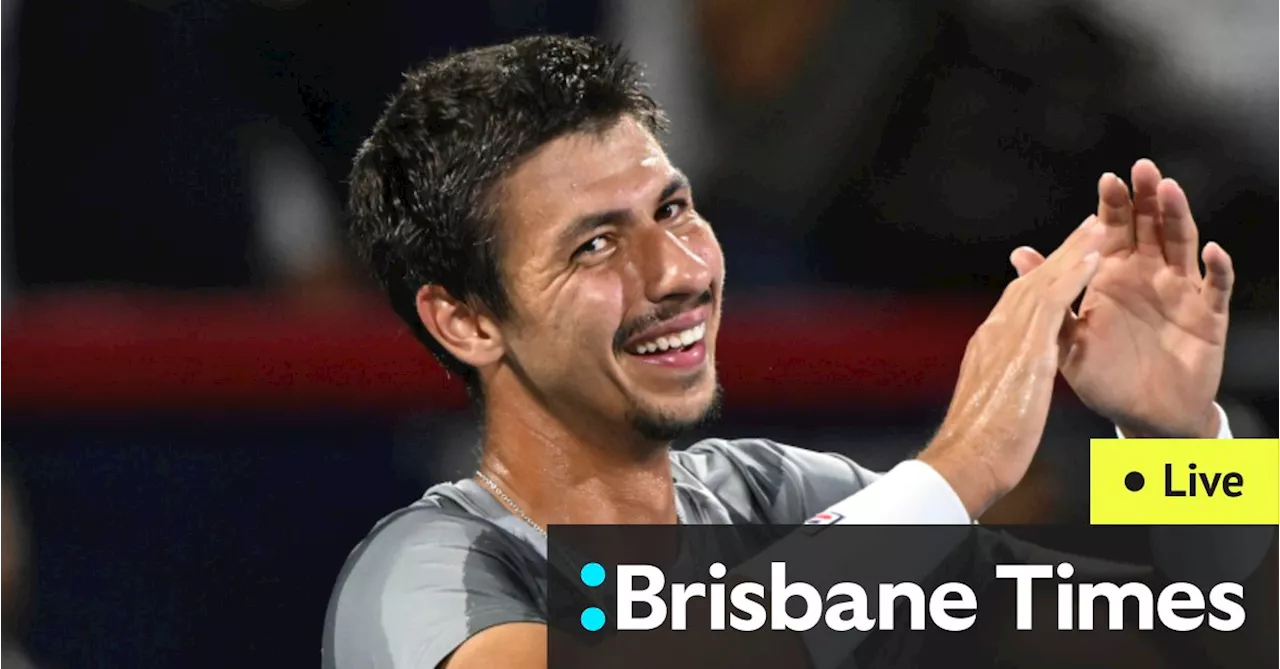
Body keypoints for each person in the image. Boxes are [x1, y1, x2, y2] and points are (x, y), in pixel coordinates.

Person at [323, 35, 1240, 669]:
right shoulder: (423, 570)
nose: (677, 272)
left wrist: (1174, 441)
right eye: (594, 245)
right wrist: (957, 469)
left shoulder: (785, 498)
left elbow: (1201, 629)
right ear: (466, 320)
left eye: (673, 210)